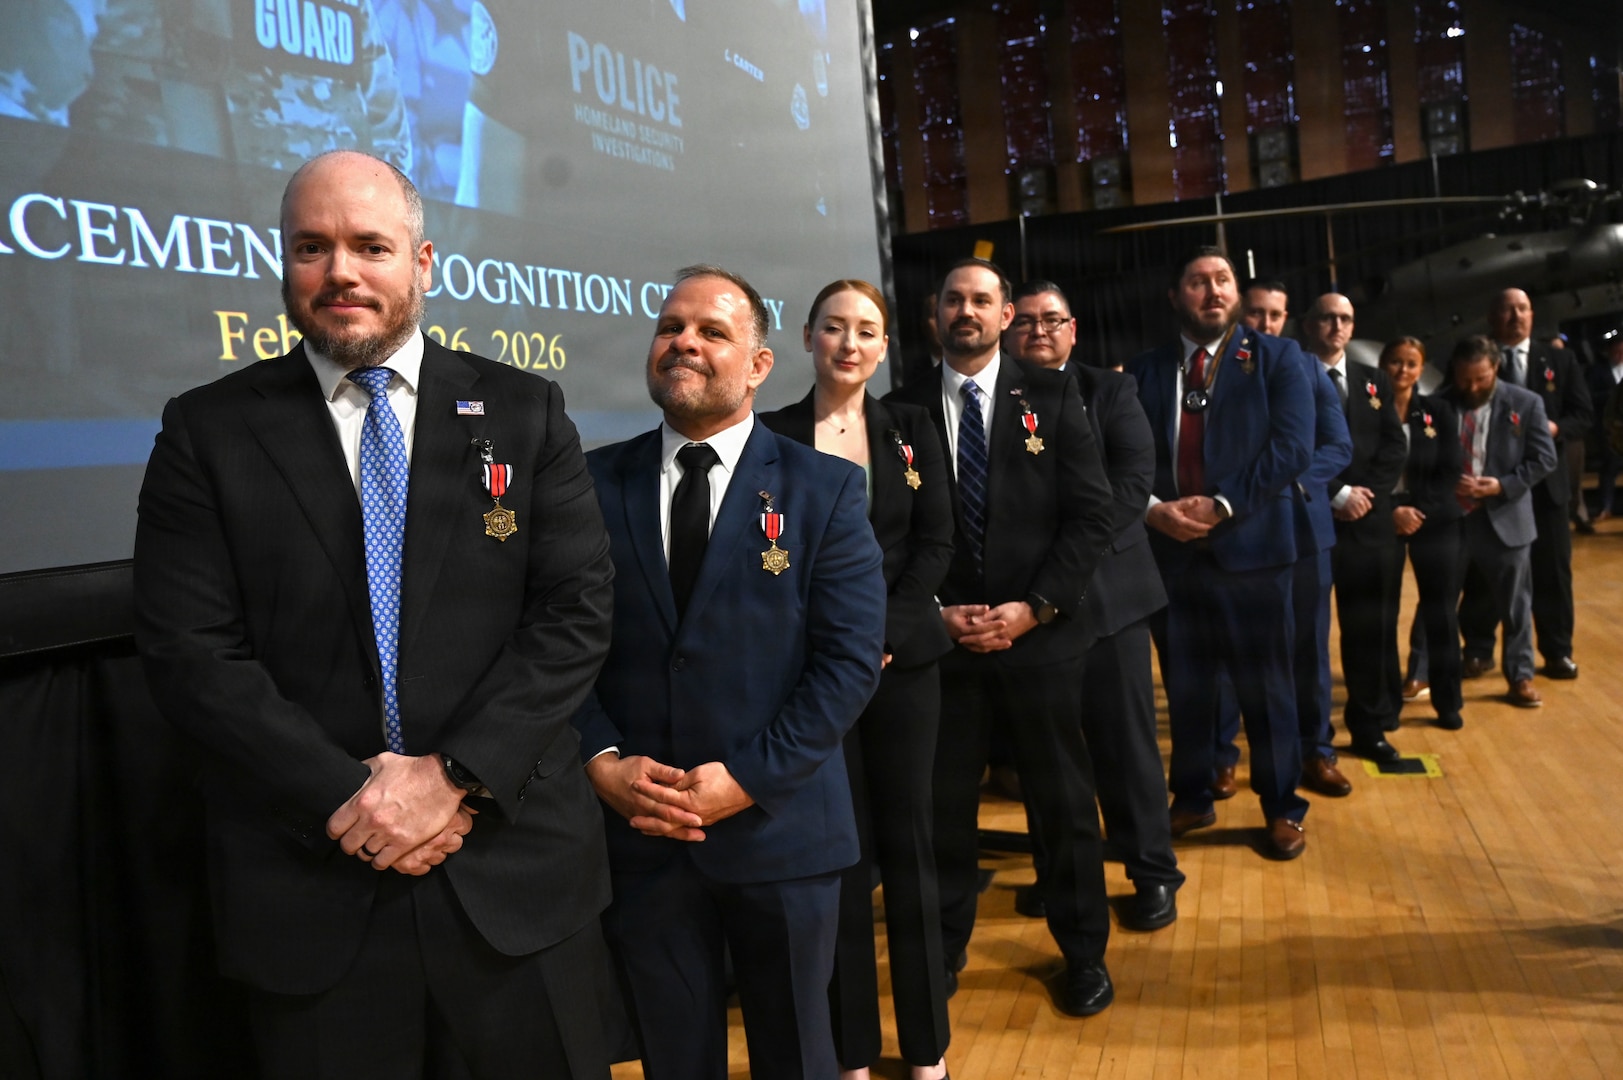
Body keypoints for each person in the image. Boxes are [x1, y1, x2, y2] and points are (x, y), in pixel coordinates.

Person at [133, 151, 620, 1078]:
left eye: (370, 246)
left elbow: (575, 614)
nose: (341, 273)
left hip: (513, 883)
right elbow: (192, 653)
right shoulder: (209, 430)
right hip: (310, 888)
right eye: (312, 248)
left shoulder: (523, 410)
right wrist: (354, 798)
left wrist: (452, 779)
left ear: (423, 262)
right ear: (283, 264)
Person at [572, 265, 887, 1080]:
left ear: (757, 365)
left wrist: (744, 779)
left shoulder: (826, 490)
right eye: (670, 327)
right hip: (643, 836)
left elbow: (847, 664)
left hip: (781, 834)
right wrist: (600, 764)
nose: (684, 342)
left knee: (797, 1059)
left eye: (711, 331)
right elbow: (560, 647)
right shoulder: (590, 487)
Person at [885, 258, 1120, 1017]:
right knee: (942, 811)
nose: (965, 311)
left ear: (1006, 314)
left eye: (980, 300)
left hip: (1042, 641)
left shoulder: (1052, 396)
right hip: (943, 648)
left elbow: (1090, 516)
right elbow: (889, 534)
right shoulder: (900, 408)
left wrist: (1035, 607)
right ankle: (944, 947)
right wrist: (934, 616)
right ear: (933, 314)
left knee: (1063, 806)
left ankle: (1082, 951)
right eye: (951, 298)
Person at [759, 280, 954, 1080]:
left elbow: (935, 545)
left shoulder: (910, 428)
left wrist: (873, 638)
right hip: (808, 682)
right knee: (835, 860)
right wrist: (833, 649)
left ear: (883, 347)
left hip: (901, 669)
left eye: (865, 330)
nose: (848, 342)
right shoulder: (769, 434)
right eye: (833, 327)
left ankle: (926, 1047)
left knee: (910, 852)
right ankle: (849, 1053)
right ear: (807, 337)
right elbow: (768, 562)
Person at [1001, 280, 1183, 932]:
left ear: (1072, 330)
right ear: (1004, 328)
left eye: (1052, 319)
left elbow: (1130, 489)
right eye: (1024, 321)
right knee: (1048, 762)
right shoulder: (993, 401)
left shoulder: (1113, 393)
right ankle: (1061, 878)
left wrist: (1056, 563)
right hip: (1028, 615)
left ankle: (1152, 873)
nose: (1039, 330)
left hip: (1109, 602)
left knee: (1125, 749)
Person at [1127, 246, 1314, 860]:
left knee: (1268, 690)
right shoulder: (1146, 370)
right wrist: (1156, 508)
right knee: (1186, 688)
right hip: (1173, 552)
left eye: (1223, 280)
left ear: (1236, 293)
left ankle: (1283, 806)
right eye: (1198, 281)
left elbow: (1291, 449)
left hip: (1254, 552)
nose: (1212, 290)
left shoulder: (1279, 357)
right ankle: (1192, 796)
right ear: (1176, 295)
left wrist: (1223, 505)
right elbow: (1127, 459)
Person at [1215, 280, 1354, 799]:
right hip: (1234, 531)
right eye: (1256, 313)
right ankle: (1222, 756)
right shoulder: (1213, 374)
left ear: (1287, 318)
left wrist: (1284, 481)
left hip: (1302, 531)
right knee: (1232, 653)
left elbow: (1337, 445)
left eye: (1275, 314)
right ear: (1238, 314)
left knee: (1307, 651)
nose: (1265, 324)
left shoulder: (1308, 367)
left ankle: (1315, 752)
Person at [1459, 289, 1591, 680]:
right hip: (1488, 490)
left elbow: (1582, 415)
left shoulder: (1561, 361)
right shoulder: (1474, 363)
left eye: (1523, 309)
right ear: (1491, 316)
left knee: (1552, 572)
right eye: (1506, 309)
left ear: (1533, 315)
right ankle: (1479, 650)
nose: (1515, 316)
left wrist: (1553, 427)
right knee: (1483, 574)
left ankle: (1556, 652)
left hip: (1545, 488)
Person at [1299, 293, 1409, 762]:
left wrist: (1364, 497)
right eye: (1327, 317)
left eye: (1344, 318)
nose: (1336, 326)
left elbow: (1393, 446)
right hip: (1310, 521)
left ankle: (1368, 727)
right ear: (1309, 324)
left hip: (1368, 525)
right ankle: (1313, 736)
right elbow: (1290, 447)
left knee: (1370, 632)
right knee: (1309, 639)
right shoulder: (1290, 376)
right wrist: (1336, 494)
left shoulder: (1373, 379)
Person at [1437, 335, 1558, 707]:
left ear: (1496, 369)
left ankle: (1520, 676)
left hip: (1505, 519)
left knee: (1516, 608)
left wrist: (1502, 485)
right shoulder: (1437, 404)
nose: (1472, 387)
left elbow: (1544, 459)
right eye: (1465, 379)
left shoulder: (1527, 403)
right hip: (1451, 520)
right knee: (1436, 602)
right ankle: (1421, 673)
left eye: (1481, 379)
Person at [1378, 338, 1465, 731]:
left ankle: (1448, 703)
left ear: (1422, 369)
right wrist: (1392, 511)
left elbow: (1451, 470)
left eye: (1411, 364)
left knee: (1441, 613)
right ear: (1383, 365)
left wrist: (1419, 510)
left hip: (1433, 517)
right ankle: (1385, 705)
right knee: (1382, 613)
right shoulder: (1366, 411)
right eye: (1395, 362)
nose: (1402, 371)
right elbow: (1356, 466)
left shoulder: (1438, 411)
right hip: (1381, 516)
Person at [1584, 328, 1623, 522]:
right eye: (1617, 352)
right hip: (1611, 428)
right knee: (1609, 468)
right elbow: (1589, 397)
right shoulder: (1597, 371)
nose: (1619, 355)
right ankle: (1605, 507)